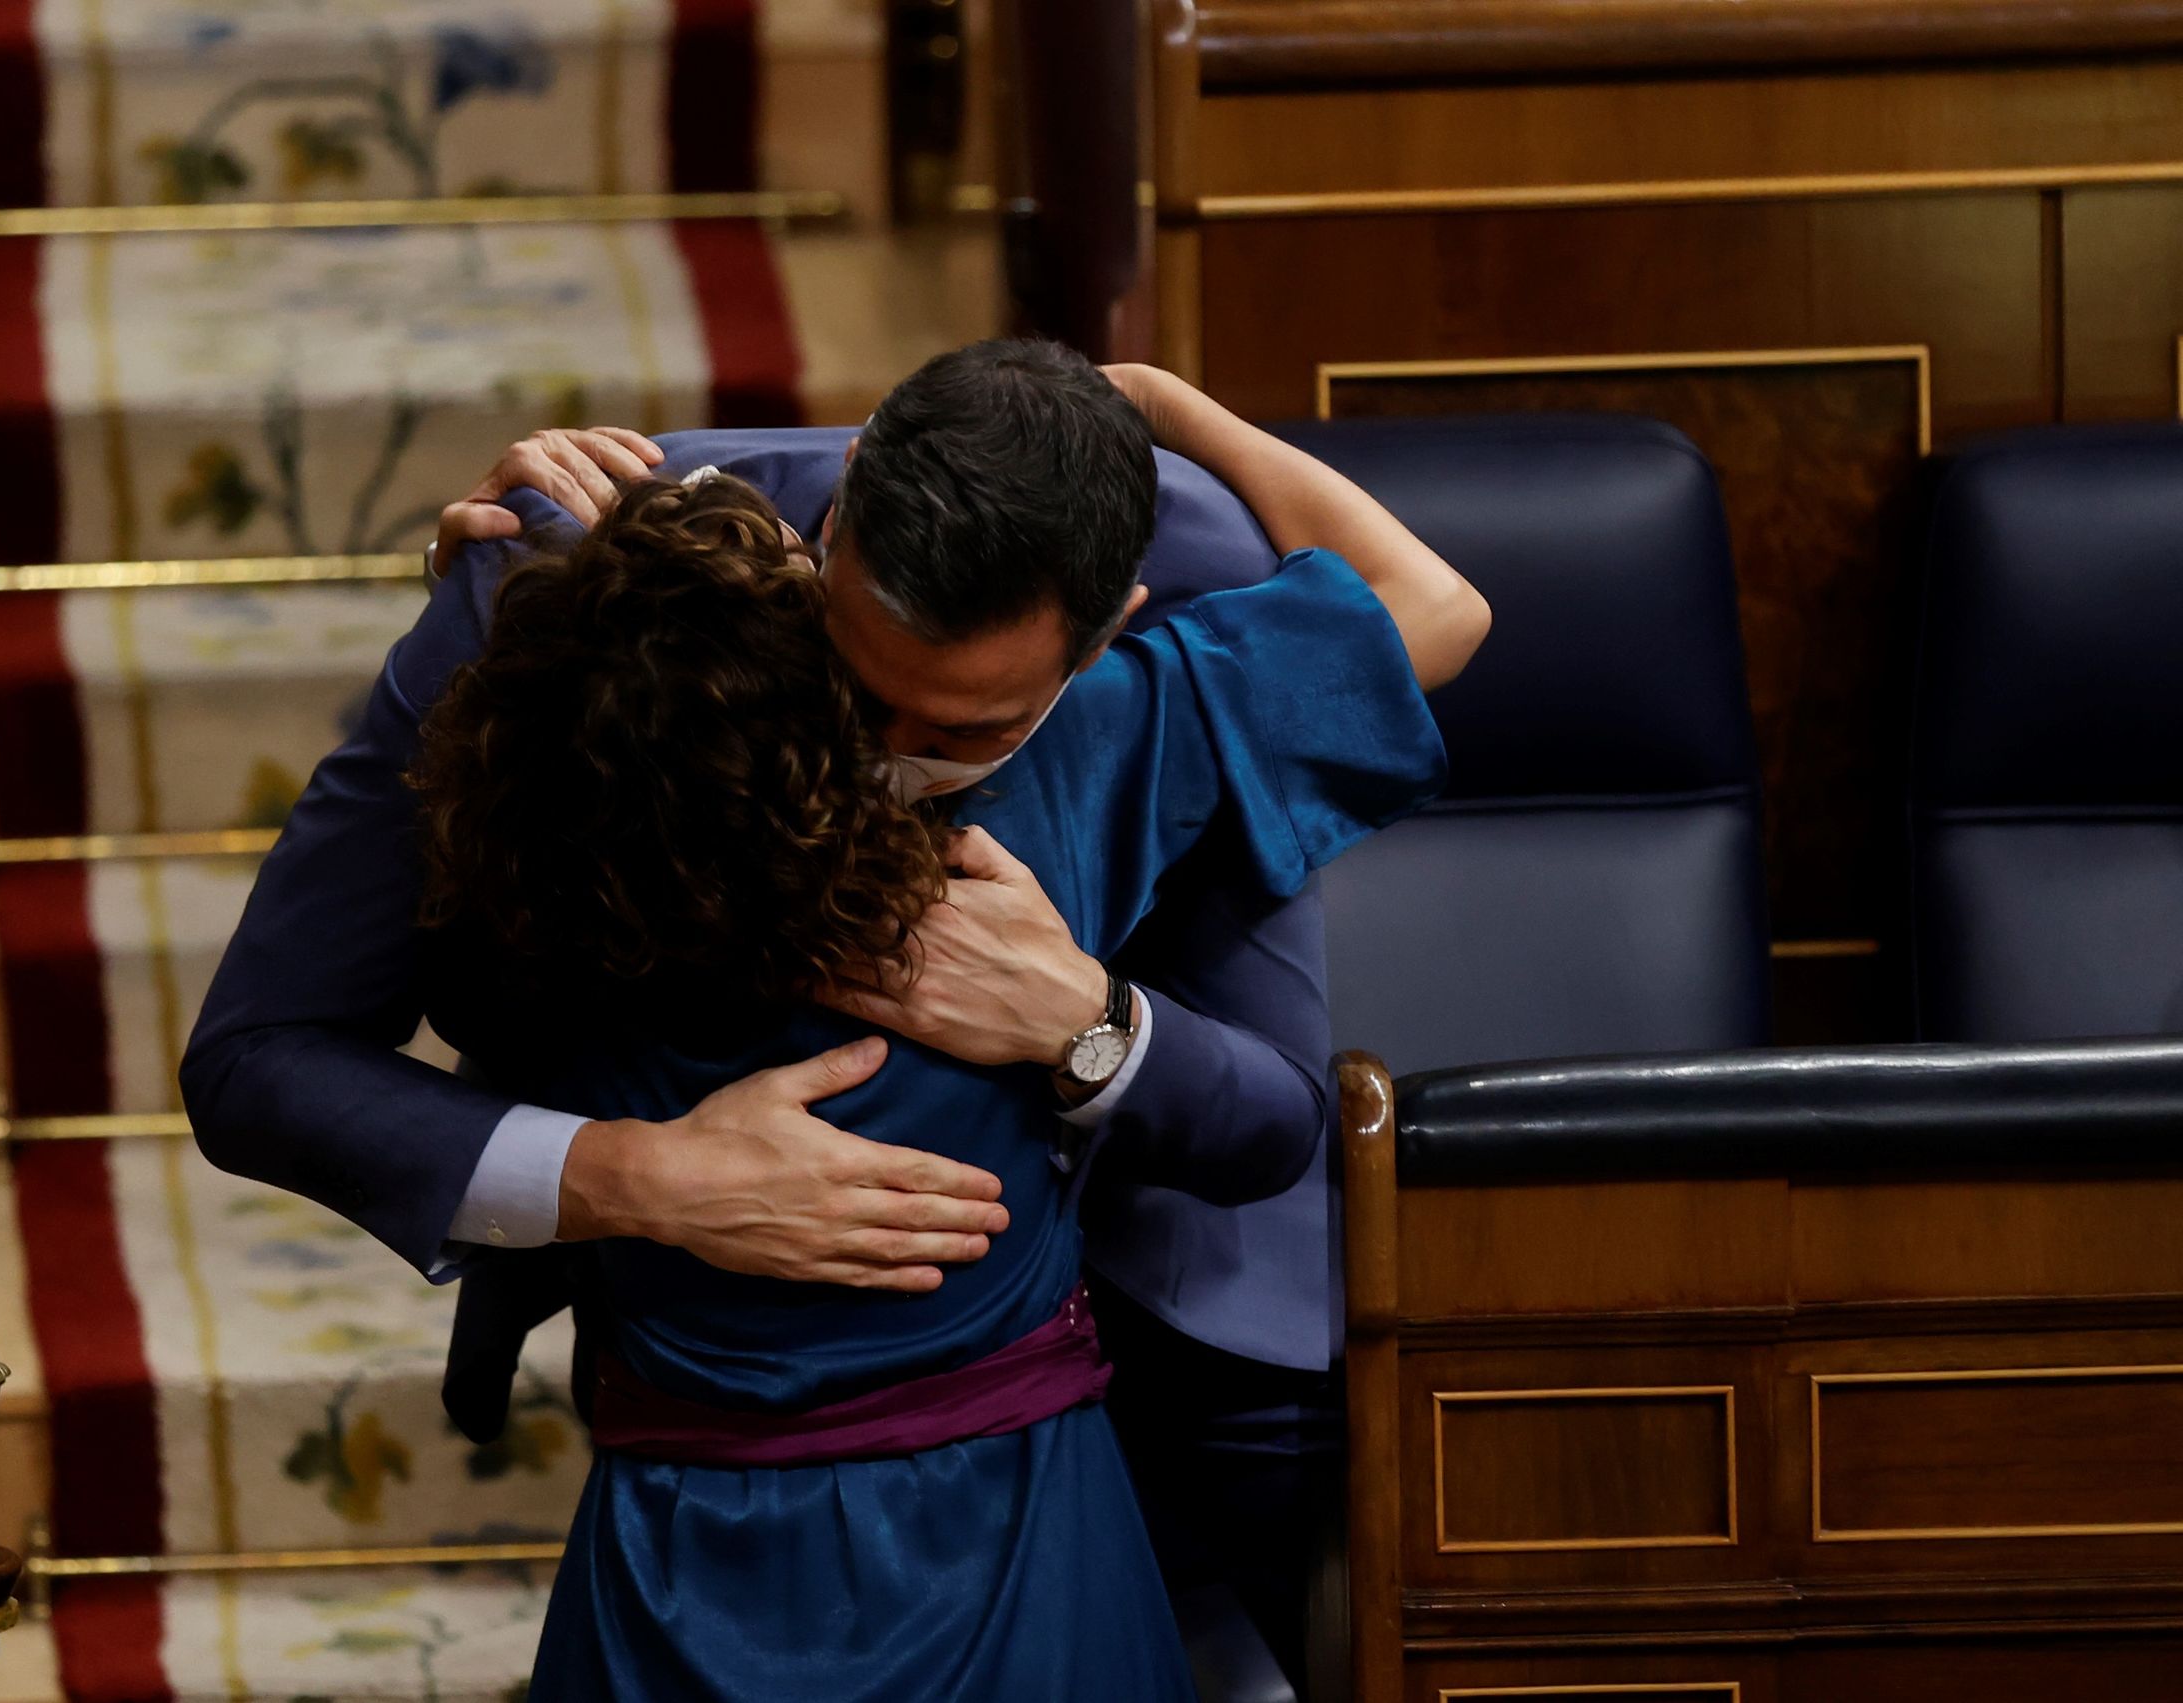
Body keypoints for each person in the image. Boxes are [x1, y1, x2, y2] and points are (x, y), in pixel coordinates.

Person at [183, 343, 1490, 1689]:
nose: (889, 762)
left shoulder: (1125, 723)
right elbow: (258, 1057)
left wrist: (1085, 1020)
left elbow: (1437, 615)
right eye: (859, 693)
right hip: (685, 1513)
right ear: (832, 532)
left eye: (968, 730)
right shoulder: (577, 634)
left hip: (1037, 1493)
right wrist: (638, 1178)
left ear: (1105, 637)